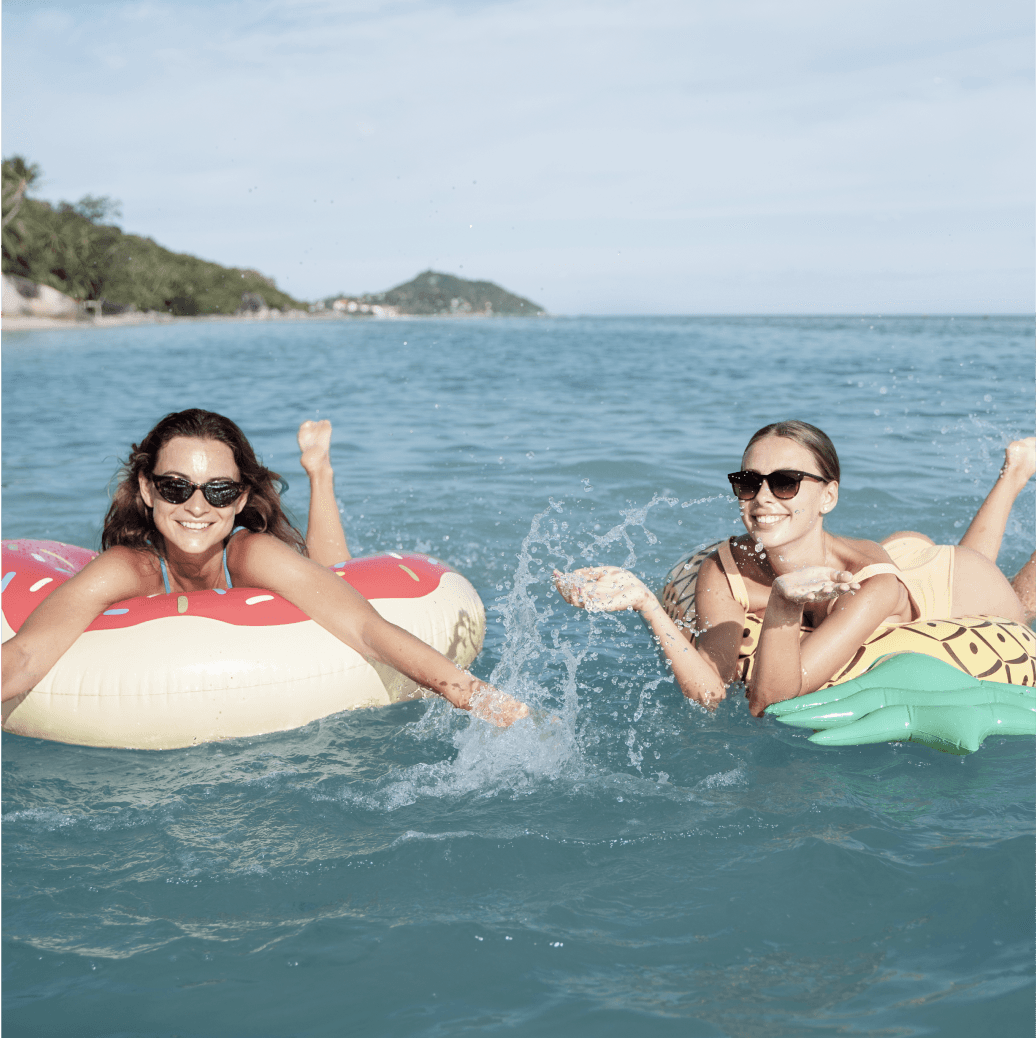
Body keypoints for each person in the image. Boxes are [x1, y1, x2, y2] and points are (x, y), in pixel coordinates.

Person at [1, 409, 528, 727]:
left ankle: (319, 471)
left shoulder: (250, 553)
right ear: (147, 489)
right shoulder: (129, 568)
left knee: (336, 573)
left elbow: (365, 627)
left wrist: (466, 691)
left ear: (239, 500)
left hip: (282, 575)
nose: (197, 506)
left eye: (219, 491)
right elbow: (25, 655)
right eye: (175, 486)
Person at [553, 421, 1035, 717]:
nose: (762, 498)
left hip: (954, 584)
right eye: (748, 482)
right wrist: (644, 602)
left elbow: (770, 700)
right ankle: (1016, 472)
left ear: (828, 496)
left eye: (785, 483)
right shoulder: (725, 568)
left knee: (1023, 608)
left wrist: (784, 603)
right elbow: (712, 690)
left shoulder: (871, 585)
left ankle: (1014, 473)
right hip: (861, 556)